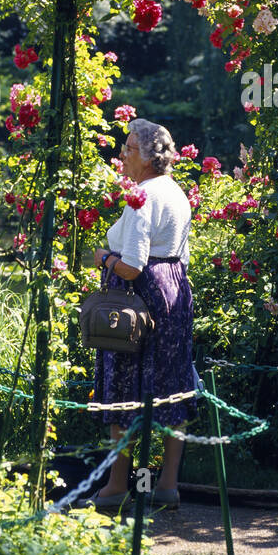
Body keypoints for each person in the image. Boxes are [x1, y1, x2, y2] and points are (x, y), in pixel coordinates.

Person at [90, 117, 197, 511]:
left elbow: (132, 265)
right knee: (173, 383)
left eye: (129, 148)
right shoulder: (176, 192)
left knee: (123, 387)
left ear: (150, 157)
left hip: (137, 298)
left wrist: (102, 257)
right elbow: (180, 254)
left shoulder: (142, 196)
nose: (122, 154)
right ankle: (167, 485)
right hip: (174, 289)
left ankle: (117, 486)